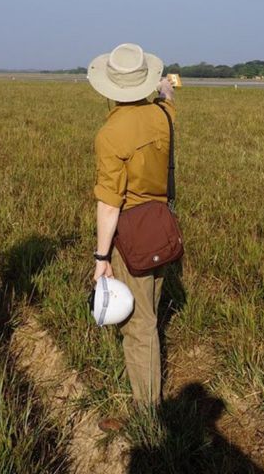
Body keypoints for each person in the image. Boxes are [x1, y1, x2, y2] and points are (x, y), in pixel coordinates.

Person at [88, 43, 176, 431]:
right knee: (152, 314)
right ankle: (149, 397)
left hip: (132, 232)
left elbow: (109, 204)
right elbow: (167, 97)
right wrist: (166, 90)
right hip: (161, 224)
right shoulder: (164, 115)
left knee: (138, 326)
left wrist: (101, 257)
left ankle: (146, 415)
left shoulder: (110, 133)